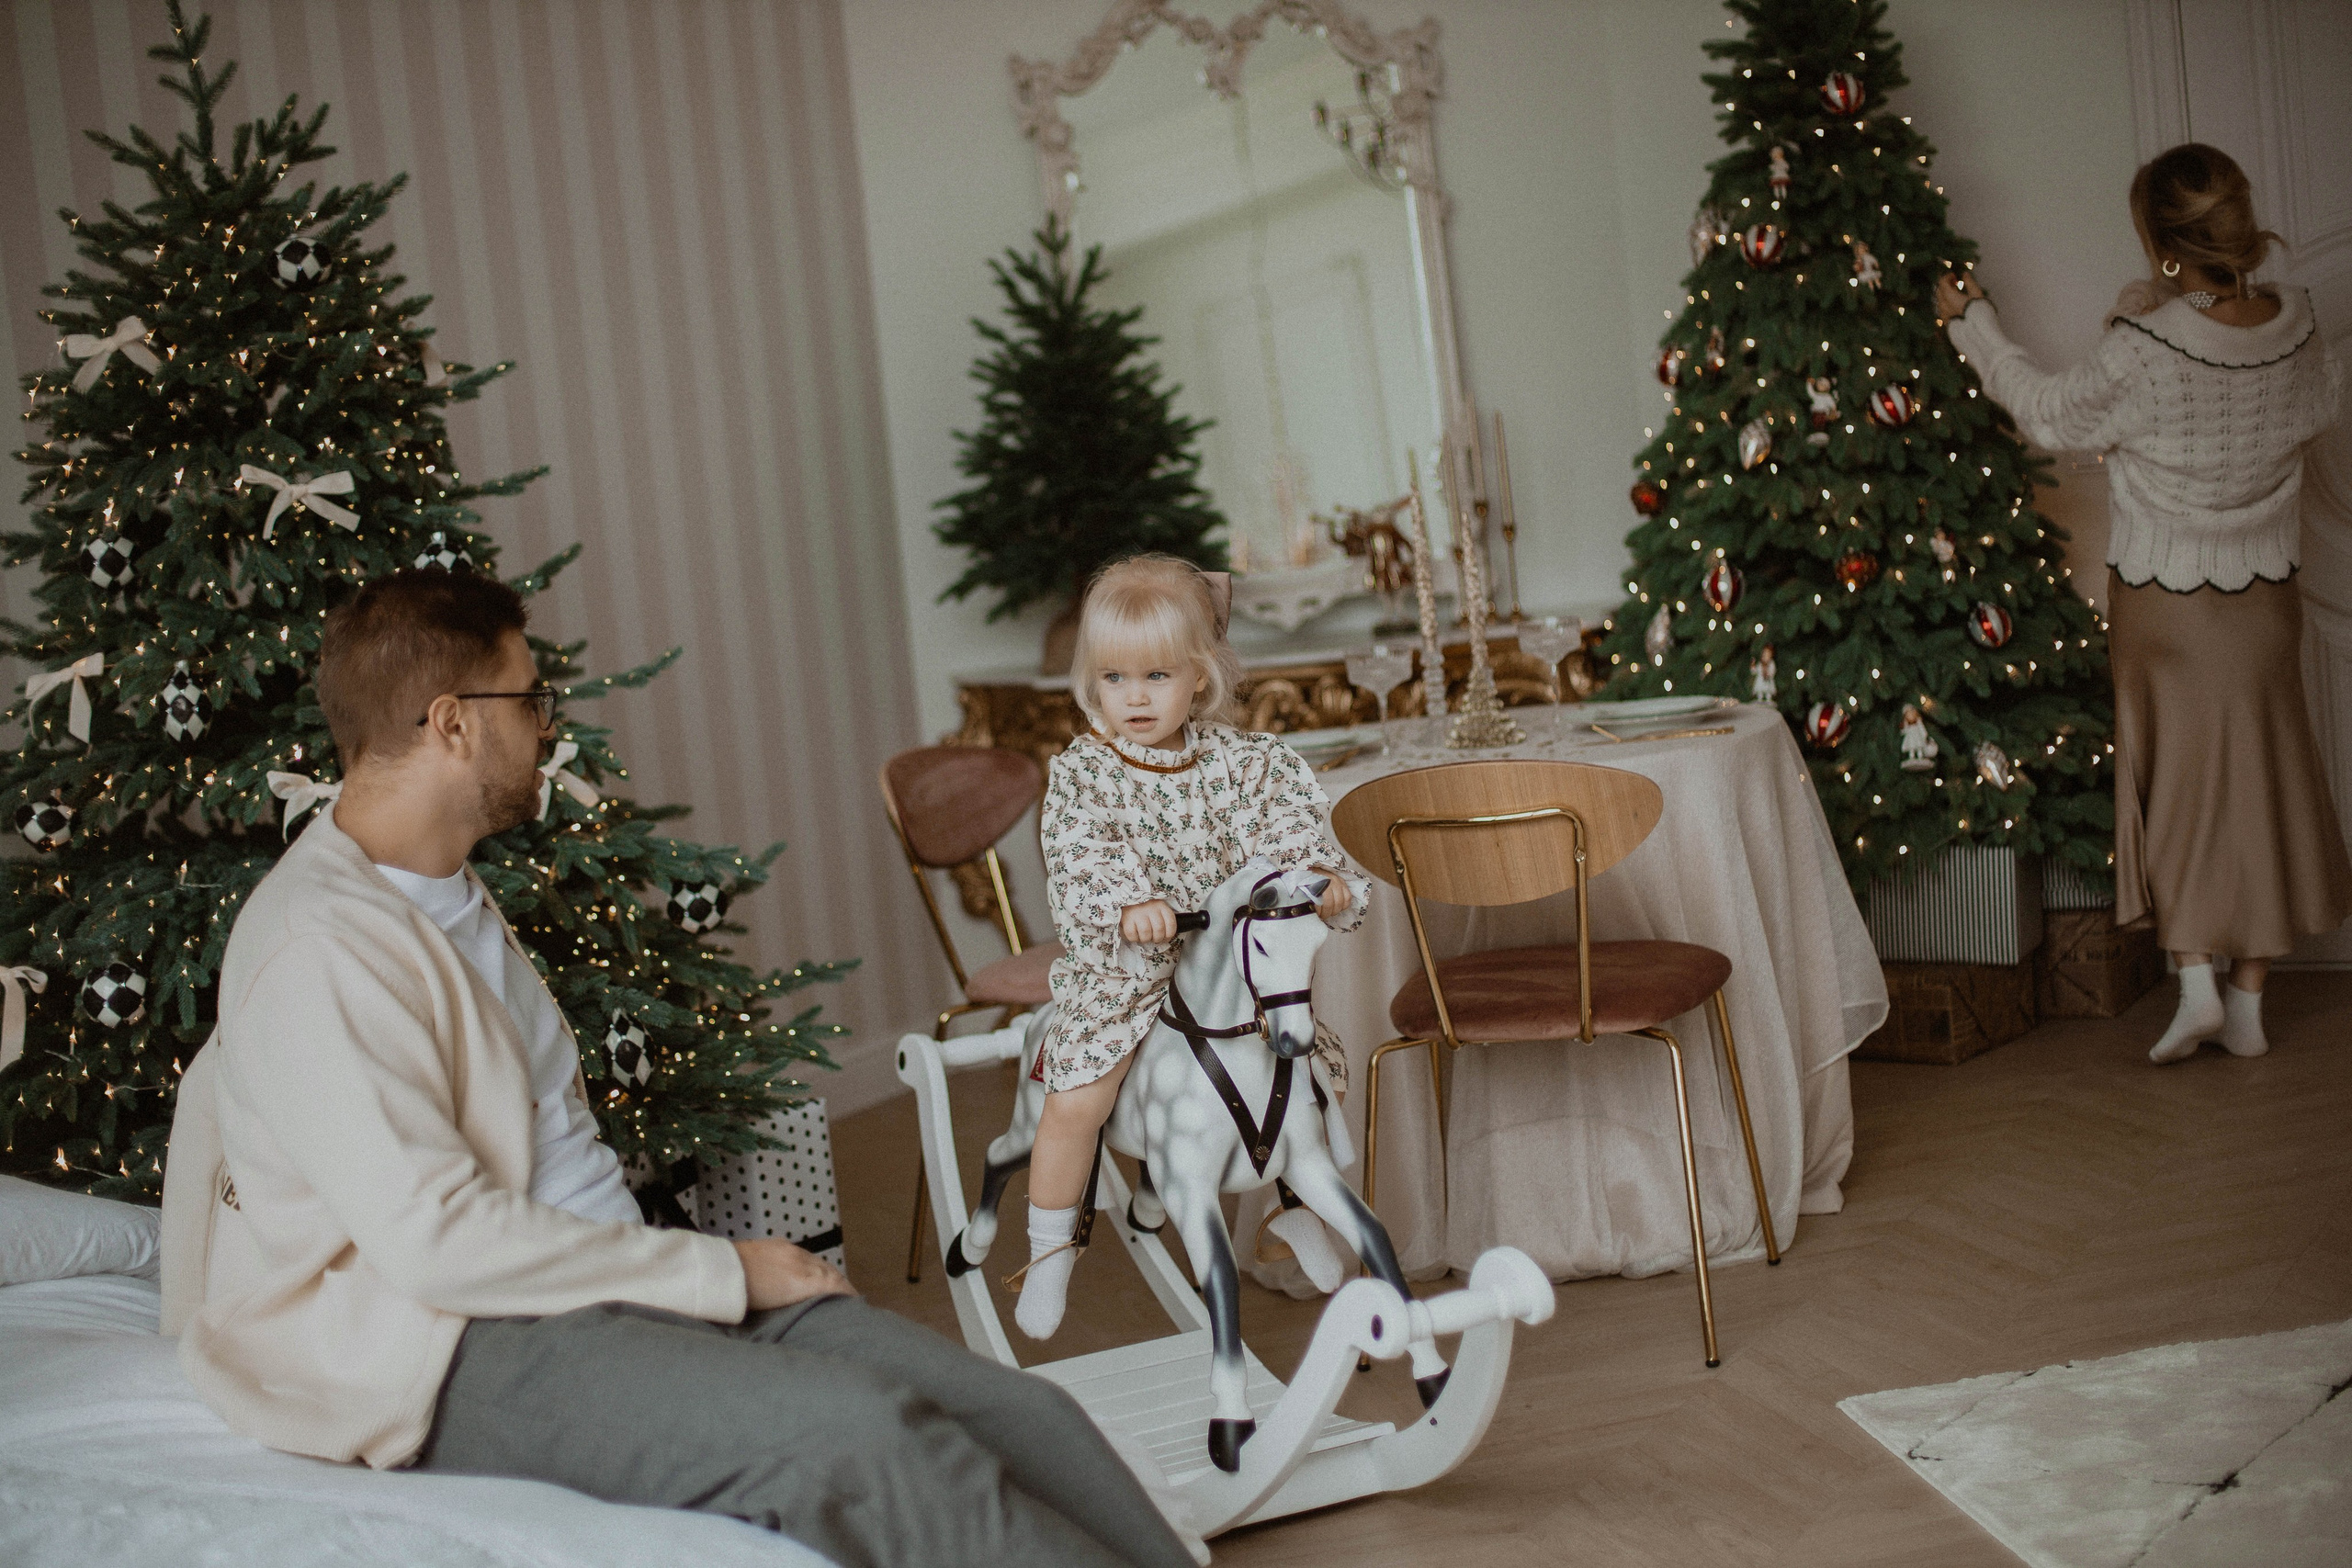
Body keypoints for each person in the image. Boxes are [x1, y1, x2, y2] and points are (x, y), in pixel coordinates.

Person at [159, 569, 1196, 1568]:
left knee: (1018, 1413)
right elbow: (436, 1244)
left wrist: (687, 1284)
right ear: (451, 723)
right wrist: (725, 1270)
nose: (547, 725)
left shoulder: (444, 892)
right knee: (862, 1444)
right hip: (451, 1343)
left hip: (600, 1277)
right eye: (528, 698)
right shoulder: (319, 947)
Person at [1936, 141, 2348, 1066]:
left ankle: (2195, 981)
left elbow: (2043, 411)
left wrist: (1973, 320)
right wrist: (2174, 299)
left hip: (2165, 602)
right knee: (2260, 785)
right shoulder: (2296, 325)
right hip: (2264, 602)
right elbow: (2301, 399)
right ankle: (2247, 1001)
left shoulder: (2143, 349)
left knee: (2177, 790)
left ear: (2161, 243)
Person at [1011, 555, 1368, 1340]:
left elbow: (1284, 833)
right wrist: (1128, 906)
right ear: (1091, 681)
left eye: (1156, 676)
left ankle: (1293, 1204)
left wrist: (1316, 876)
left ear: (1199, 679)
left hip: (1226, 971)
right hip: (1127, 975)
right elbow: (1078, 855)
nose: (1134, 697)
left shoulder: (1244, 764)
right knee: (1076, 1098)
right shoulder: (1086, 774)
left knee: (1306, 1071)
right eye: (1113, 678)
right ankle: (1048, 1250)